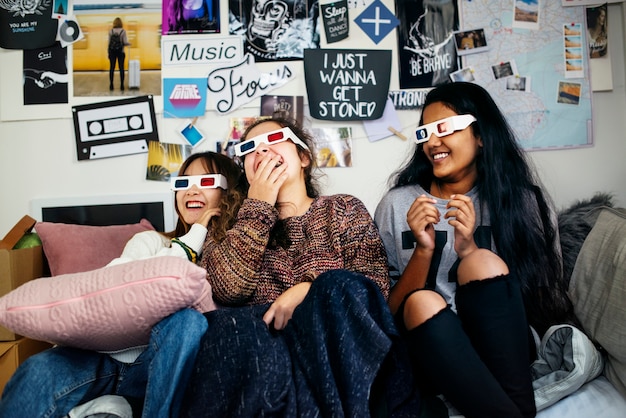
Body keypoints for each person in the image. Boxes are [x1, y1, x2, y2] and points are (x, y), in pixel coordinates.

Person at [180, 115, 417, 417]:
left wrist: (308, 291)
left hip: (340, 355)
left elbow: (373, 292)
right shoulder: (227, 228)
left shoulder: (342, 208)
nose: (262, 152)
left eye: (274, 141)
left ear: (303, 157)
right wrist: (258, 207)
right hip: (269, 365)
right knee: (227, 325)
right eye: (251, 147)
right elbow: (229, 290)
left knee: (337, 287)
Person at [374, 82, 579, 418]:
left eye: (444, 128)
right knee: (422, 299)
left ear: (481, 136)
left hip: (504, 347)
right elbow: (388, 313)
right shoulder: (398, 204)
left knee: (481, 261)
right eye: (425, 132)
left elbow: (543, 296)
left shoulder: (523, 202)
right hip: (431, 351)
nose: (432, 142)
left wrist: (468, 248)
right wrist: (423, 251)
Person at [0, 152, 246, 418]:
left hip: (155, 369)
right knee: (38, 371)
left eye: (206, 181)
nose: (192, 190)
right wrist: (194, 234)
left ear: (229, 194)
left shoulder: (230, 264)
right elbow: (112, 283)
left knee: (187, 321)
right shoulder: (151, 241)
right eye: (183, 184)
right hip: (101, 359)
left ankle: (119, 406)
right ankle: (113, 405)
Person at [108, 17, 131, 91]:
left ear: (114, 23)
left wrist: (108, 53)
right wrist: (129, 44)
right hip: (121, 52)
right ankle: (122, 85)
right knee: (121, 69)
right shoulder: (123, 31)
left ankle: (111, 85)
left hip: (112, 52)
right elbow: (125, 42)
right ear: (121, 23)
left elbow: (109, 43)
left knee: (112, 68)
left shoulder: (110, 31)